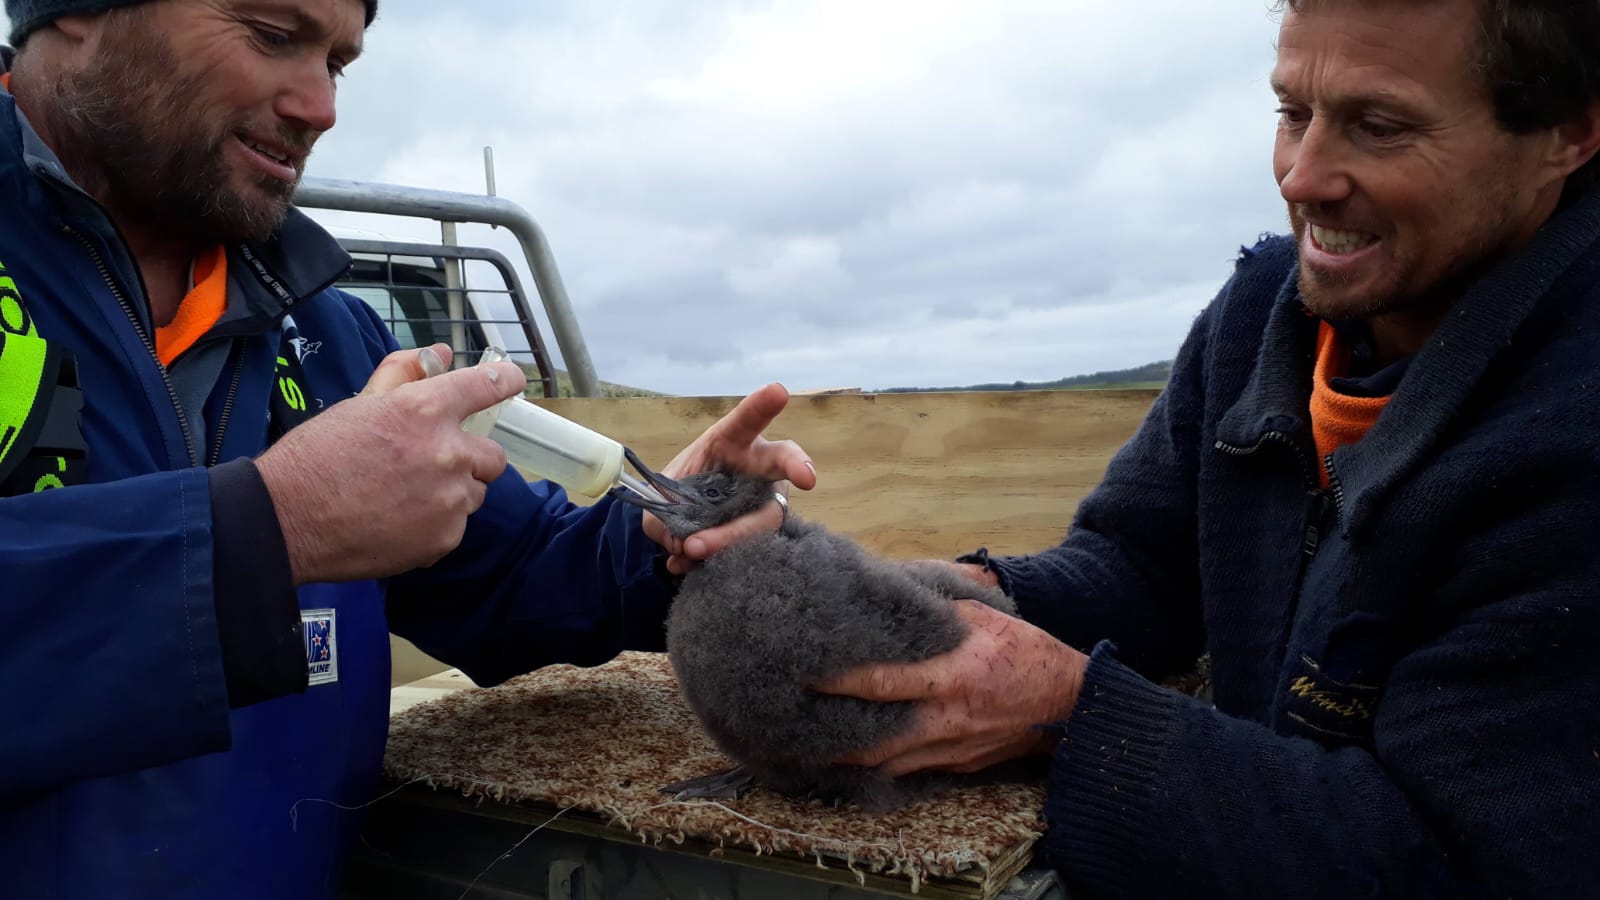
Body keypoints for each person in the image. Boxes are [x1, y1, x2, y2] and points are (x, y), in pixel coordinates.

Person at [0, 0, 814, 897]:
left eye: (338, 62)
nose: (321, 107)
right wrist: (269, 529)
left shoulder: (325, 328)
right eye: (273, 35)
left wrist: (659, 535)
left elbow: (503, 572)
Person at [821, 1, 1600, 896]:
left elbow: (1449, 861)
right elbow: (1149, 568)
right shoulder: (1267, 312)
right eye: (1292, 113)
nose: (1302, 179)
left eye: (1379, 126)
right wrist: (972, 598)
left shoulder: (1572, 430)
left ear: (1566, 134)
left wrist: (1073, 714)